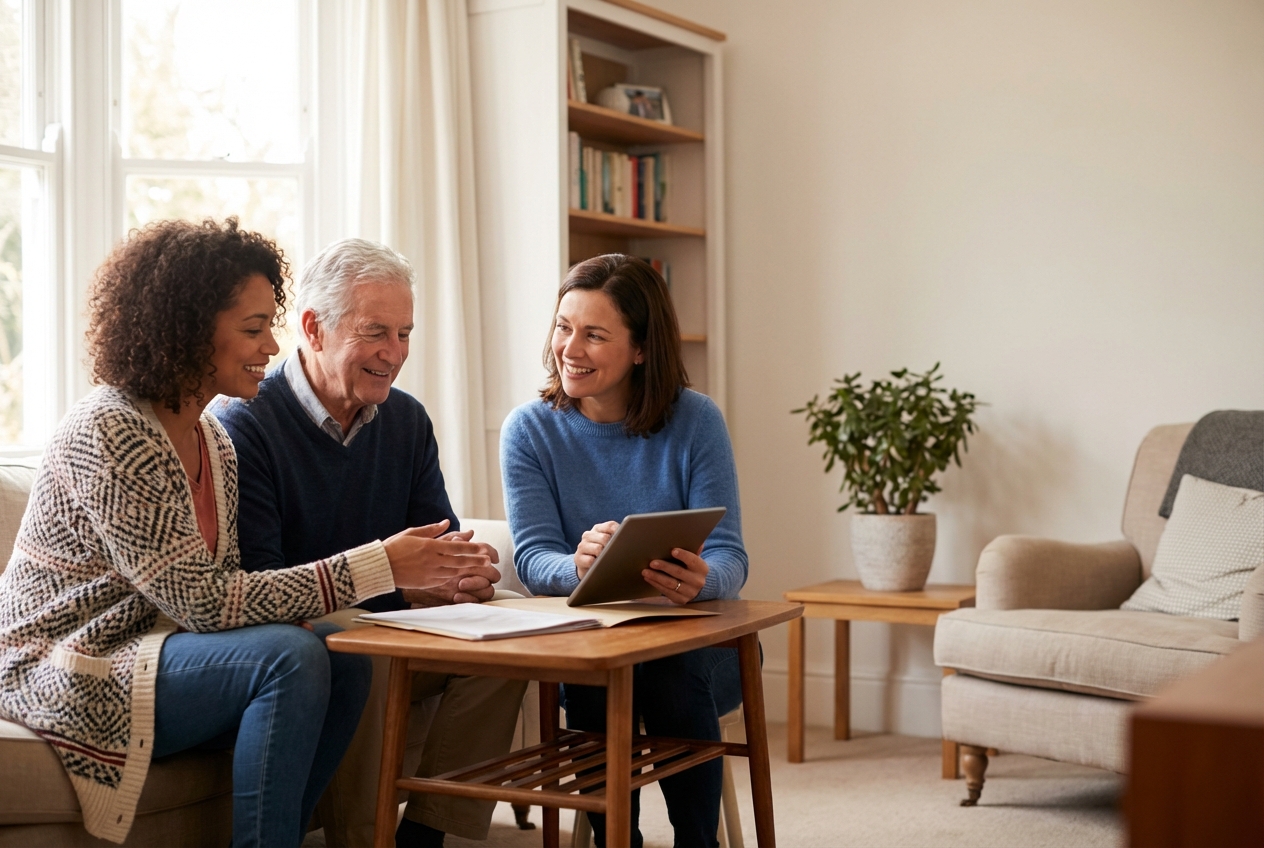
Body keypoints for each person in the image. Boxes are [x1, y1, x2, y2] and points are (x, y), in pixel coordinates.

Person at [0, 219, 498, 848]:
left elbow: (236, 592)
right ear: (187, 330)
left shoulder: (213, 441)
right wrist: (382, 566)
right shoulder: (113, 432)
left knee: (344, 656)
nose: (271, 345)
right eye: (252, 329)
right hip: (67, 664)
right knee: (290, 657)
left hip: (156, 650)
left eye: (270, 324)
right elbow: (207, 604)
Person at [214, 238, 528, 848]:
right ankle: (363, 837)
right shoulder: (244, 424)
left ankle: (427, 833)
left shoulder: (406, 420)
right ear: (314, 328)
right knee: (362, 648)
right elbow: (265, 582)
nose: (395, 353)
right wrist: (398, 584)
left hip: (396, 619)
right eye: (376, 332)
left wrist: (464, 577)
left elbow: (439, 547)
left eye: (405, 333)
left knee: (509, 643)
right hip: (319, 631)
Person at [500, 254, 748, 848]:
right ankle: (618, 840)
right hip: (599, 644)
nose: (570, 348)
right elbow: (535, 561)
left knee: (667, 669)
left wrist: (702, 579)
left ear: (640, 349)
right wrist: (577, 563)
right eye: (564, 327)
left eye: (594, 334)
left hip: (700, 649)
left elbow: (732, 557)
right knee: (599, 673)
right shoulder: (529, 430)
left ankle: (697, 840)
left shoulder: (696, 421)